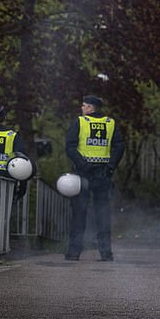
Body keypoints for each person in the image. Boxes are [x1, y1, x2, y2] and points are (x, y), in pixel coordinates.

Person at [64, 95, 125, 261]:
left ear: (91, 108)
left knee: (79, 213)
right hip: (103, 174)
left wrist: (82, 164)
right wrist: (111, 166)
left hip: (83, 173)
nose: (82, 108)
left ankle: (73, 253)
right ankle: (106, 253)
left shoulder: (80, 122)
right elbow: (119, 146)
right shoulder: (110, 123)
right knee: (103, 214)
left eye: (84, 106)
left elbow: (69, 146)